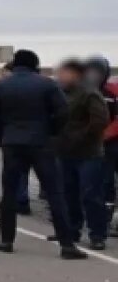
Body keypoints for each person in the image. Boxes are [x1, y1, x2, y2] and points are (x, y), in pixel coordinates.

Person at [0, 49, 85, 259]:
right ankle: (67, 245)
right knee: (55, 193)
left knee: (9, 193)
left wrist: (4, 132)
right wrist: (52, 131)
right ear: (35, 65)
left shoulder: (1, 85)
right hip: (41, 143)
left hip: (12, 143)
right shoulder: (47, 84)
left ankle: (6, 240)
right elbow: (63, 112)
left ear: (15, 64)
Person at [53, 59, 109, 250]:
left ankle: (97, 234)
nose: (60, 76)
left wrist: (78, 138)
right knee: (68, 193)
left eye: (64, 73)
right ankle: (71, 230)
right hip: (65, 153)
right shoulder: (60, 93)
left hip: (88, 153)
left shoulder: (89, 92)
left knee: (91, 195)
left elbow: (100, 121)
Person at [0, 62, 32, 214]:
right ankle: (21, 199)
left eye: (4, 72)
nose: (2, 76)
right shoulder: (32, 88)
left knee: (12, 170)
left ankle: (15, 200)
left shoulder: (4, 89)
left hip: (11, 136)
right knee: (22, 170)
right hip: (30, 137)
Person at [83, 56, 117, 218]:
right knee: (98, 180)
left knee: (107, 180)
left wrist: (104, 135)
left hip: (111, 143)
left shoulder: (113, 91)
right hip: (90, 144)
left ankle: (108, 211)